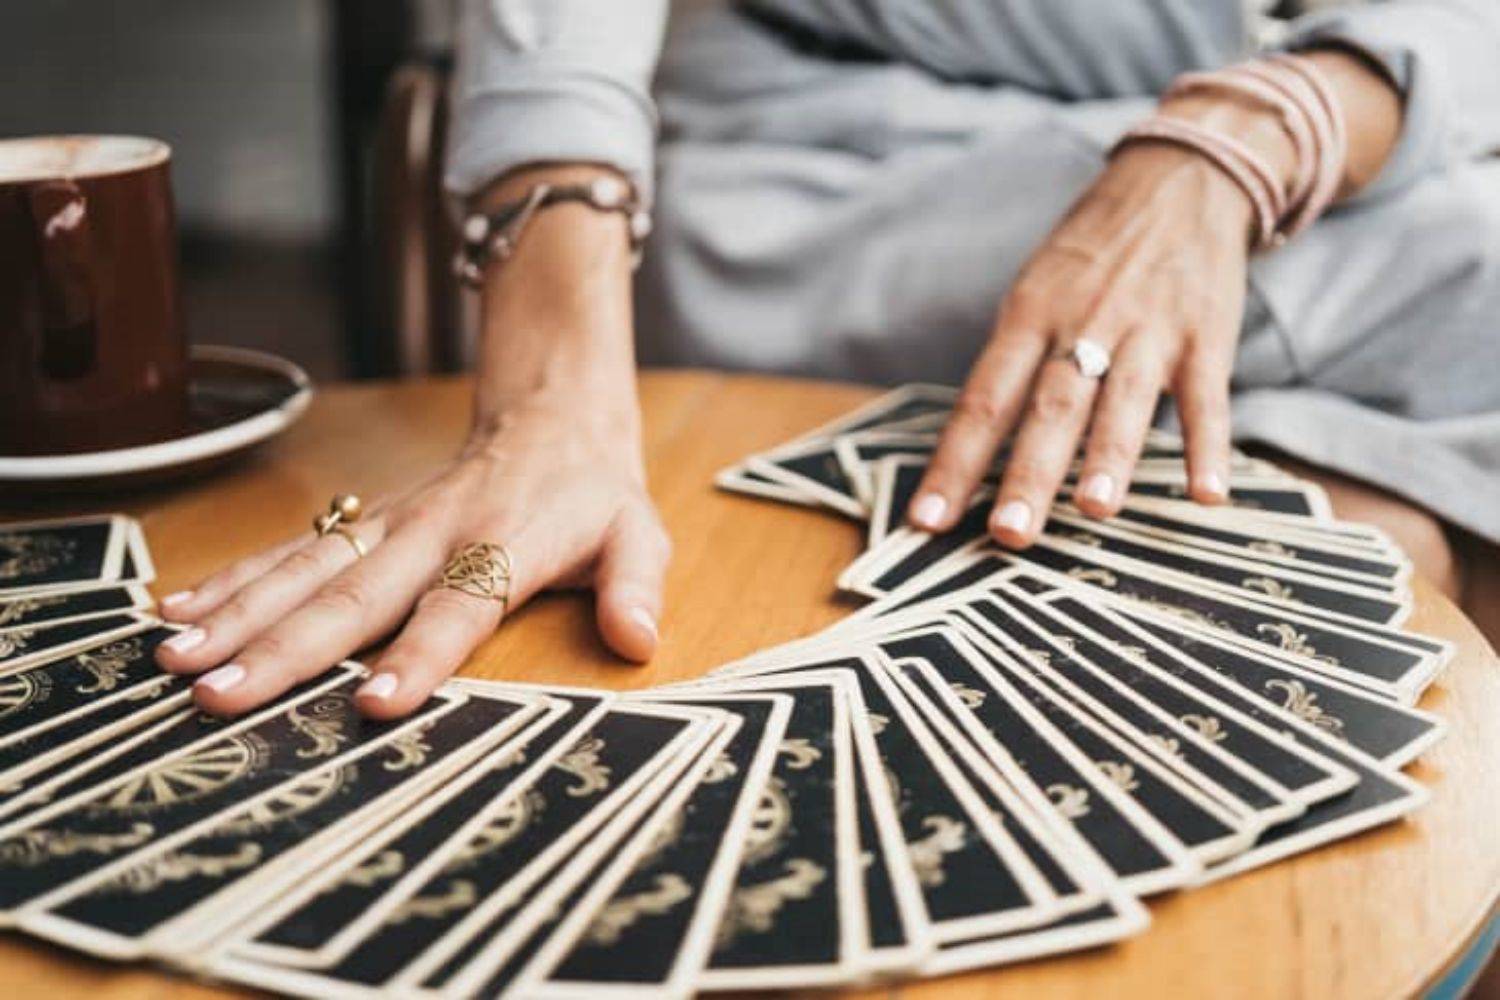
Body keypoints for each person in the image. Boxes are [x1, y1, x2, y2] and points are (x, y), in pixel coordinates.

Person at [155, 0, 1500, 720]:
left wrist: (1246, 137)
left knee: (1402, 501)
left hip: (1242, 155)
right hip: (810, 189)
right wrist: (553, 396)